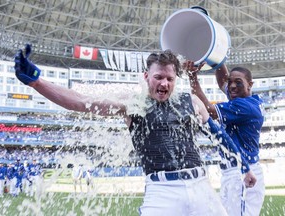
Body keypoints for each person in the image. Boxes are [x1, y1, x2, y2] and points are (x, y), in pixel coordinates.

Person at [14, 44, 251, 215]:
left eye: (169, 78)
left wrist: (245, 168)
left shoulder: (191, 101)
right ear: (146, 76)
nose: (164, 83)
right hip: (162, 191)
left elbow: (219, 136)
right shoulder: (133, 104)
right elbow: (80, 101)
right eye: (158, 77)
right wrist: (37, 82)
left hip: (201, 187)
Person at [184, 61, 265, 216]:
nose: (232, 86)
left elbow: (207, 109)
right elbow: (223, 81)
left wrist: (192, 76)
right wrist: (218, 58)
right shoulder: (251, 99)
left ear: (250, 84)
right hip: (238, 172)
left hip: (241, 173)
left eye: (238, 82)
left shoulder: (243, 106)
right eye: (231, 82)